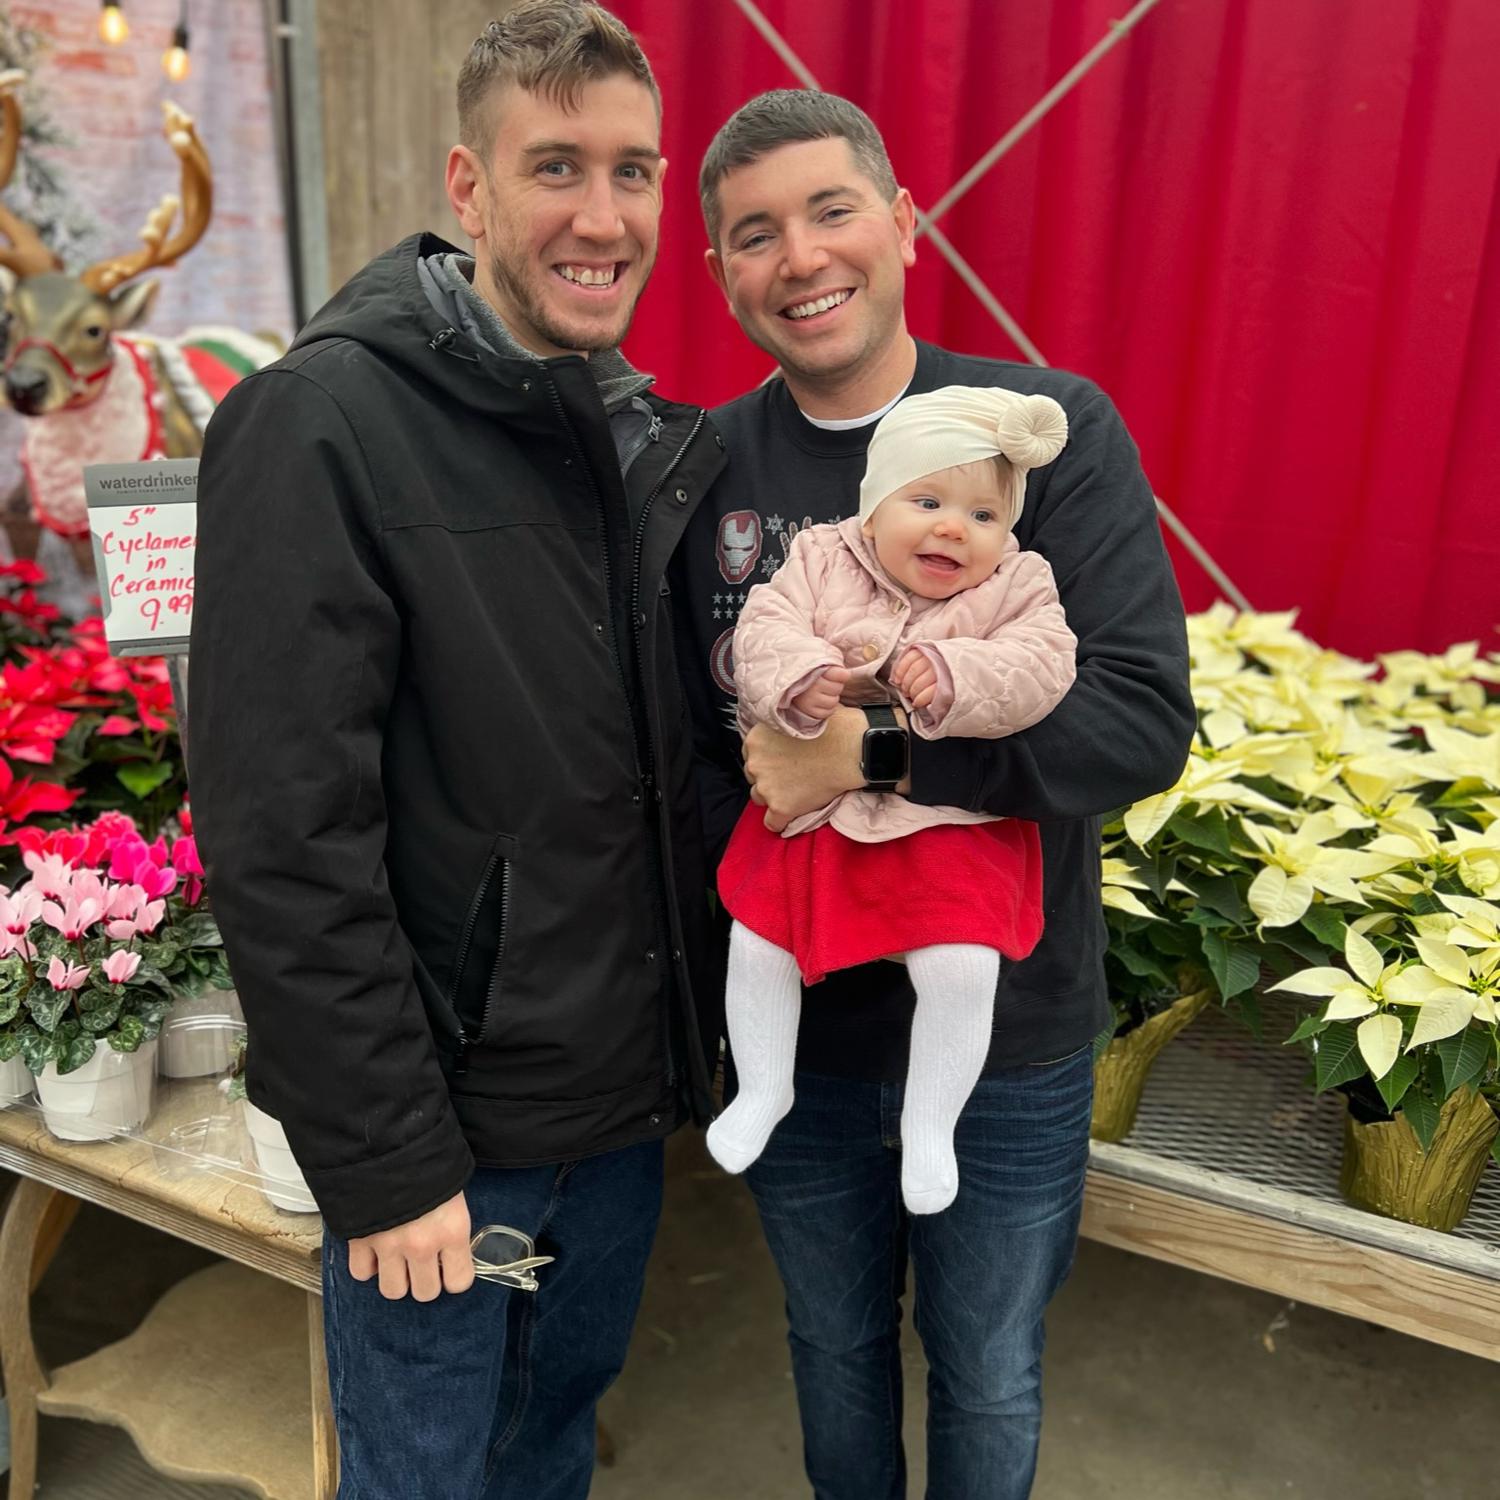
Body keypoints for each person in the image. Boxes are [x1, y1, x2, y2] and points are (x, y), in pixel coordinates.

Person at [188, 6, 725, 1498]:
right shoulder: (320, 425)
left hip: (609, 1117)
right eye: (556, 167)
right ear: (468, 186)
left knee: (549, 1452)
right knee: (427, 1476)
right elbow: (282, 837)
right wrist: (390, 1163)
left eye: (633, 172)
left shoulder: (617, 427)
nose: (602, 217)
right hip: (451, 1144)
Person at [674, 89, 1195, 1498]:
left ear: (903, 223)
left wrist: (877, 758)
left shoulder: (1045, 436)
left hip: (1005, 1032)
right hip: (805, 1014)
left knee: (989, 1369)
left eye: (831, 209)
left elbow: (1139, 721)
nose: (800, 257)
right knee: (830, 1352)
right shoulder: (705, 468)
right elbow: (674, 731)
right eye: (753, 234)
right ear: (720, 274)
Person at [710, 384, 1078, 1217]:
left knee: (961, 965)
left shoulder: (1021, 584)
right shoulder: (819, 557)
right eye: (927, 500)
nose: (955, 527)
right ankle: (763, 1088)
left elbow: (1041, 664)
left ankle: (932, 1122)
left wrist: (959, 675)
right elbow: (764, 628)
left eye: (985, 516)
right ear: (873, 509)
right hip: (816, 810)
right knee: (759, 939)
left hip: (944, 823)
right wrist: (798, 677)